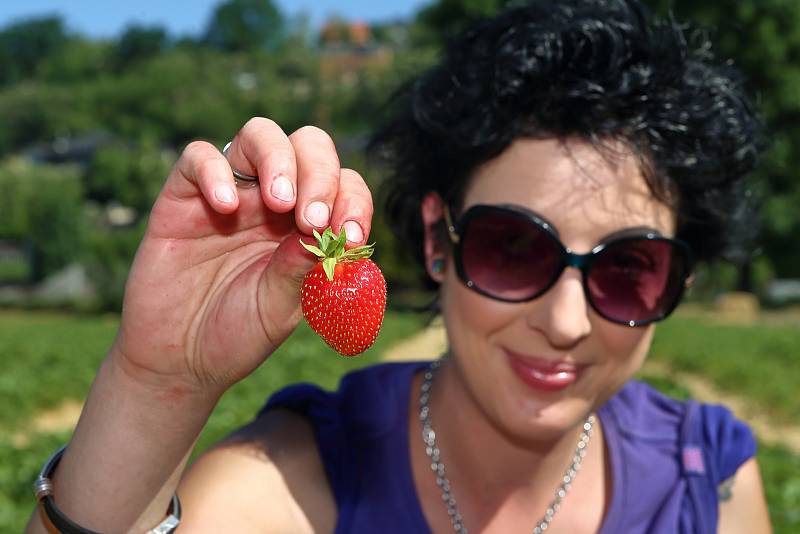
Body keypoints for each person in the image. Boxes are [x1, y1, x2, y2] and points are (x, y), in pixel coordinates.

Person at [26, 0, 772, 532]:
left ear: (680, 282)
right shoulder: (294, 484)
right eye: (514, 247)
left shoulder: (709, 483)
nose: (566, 322)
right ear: (437, 240)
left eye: (629, 267)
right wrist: (158, 387)